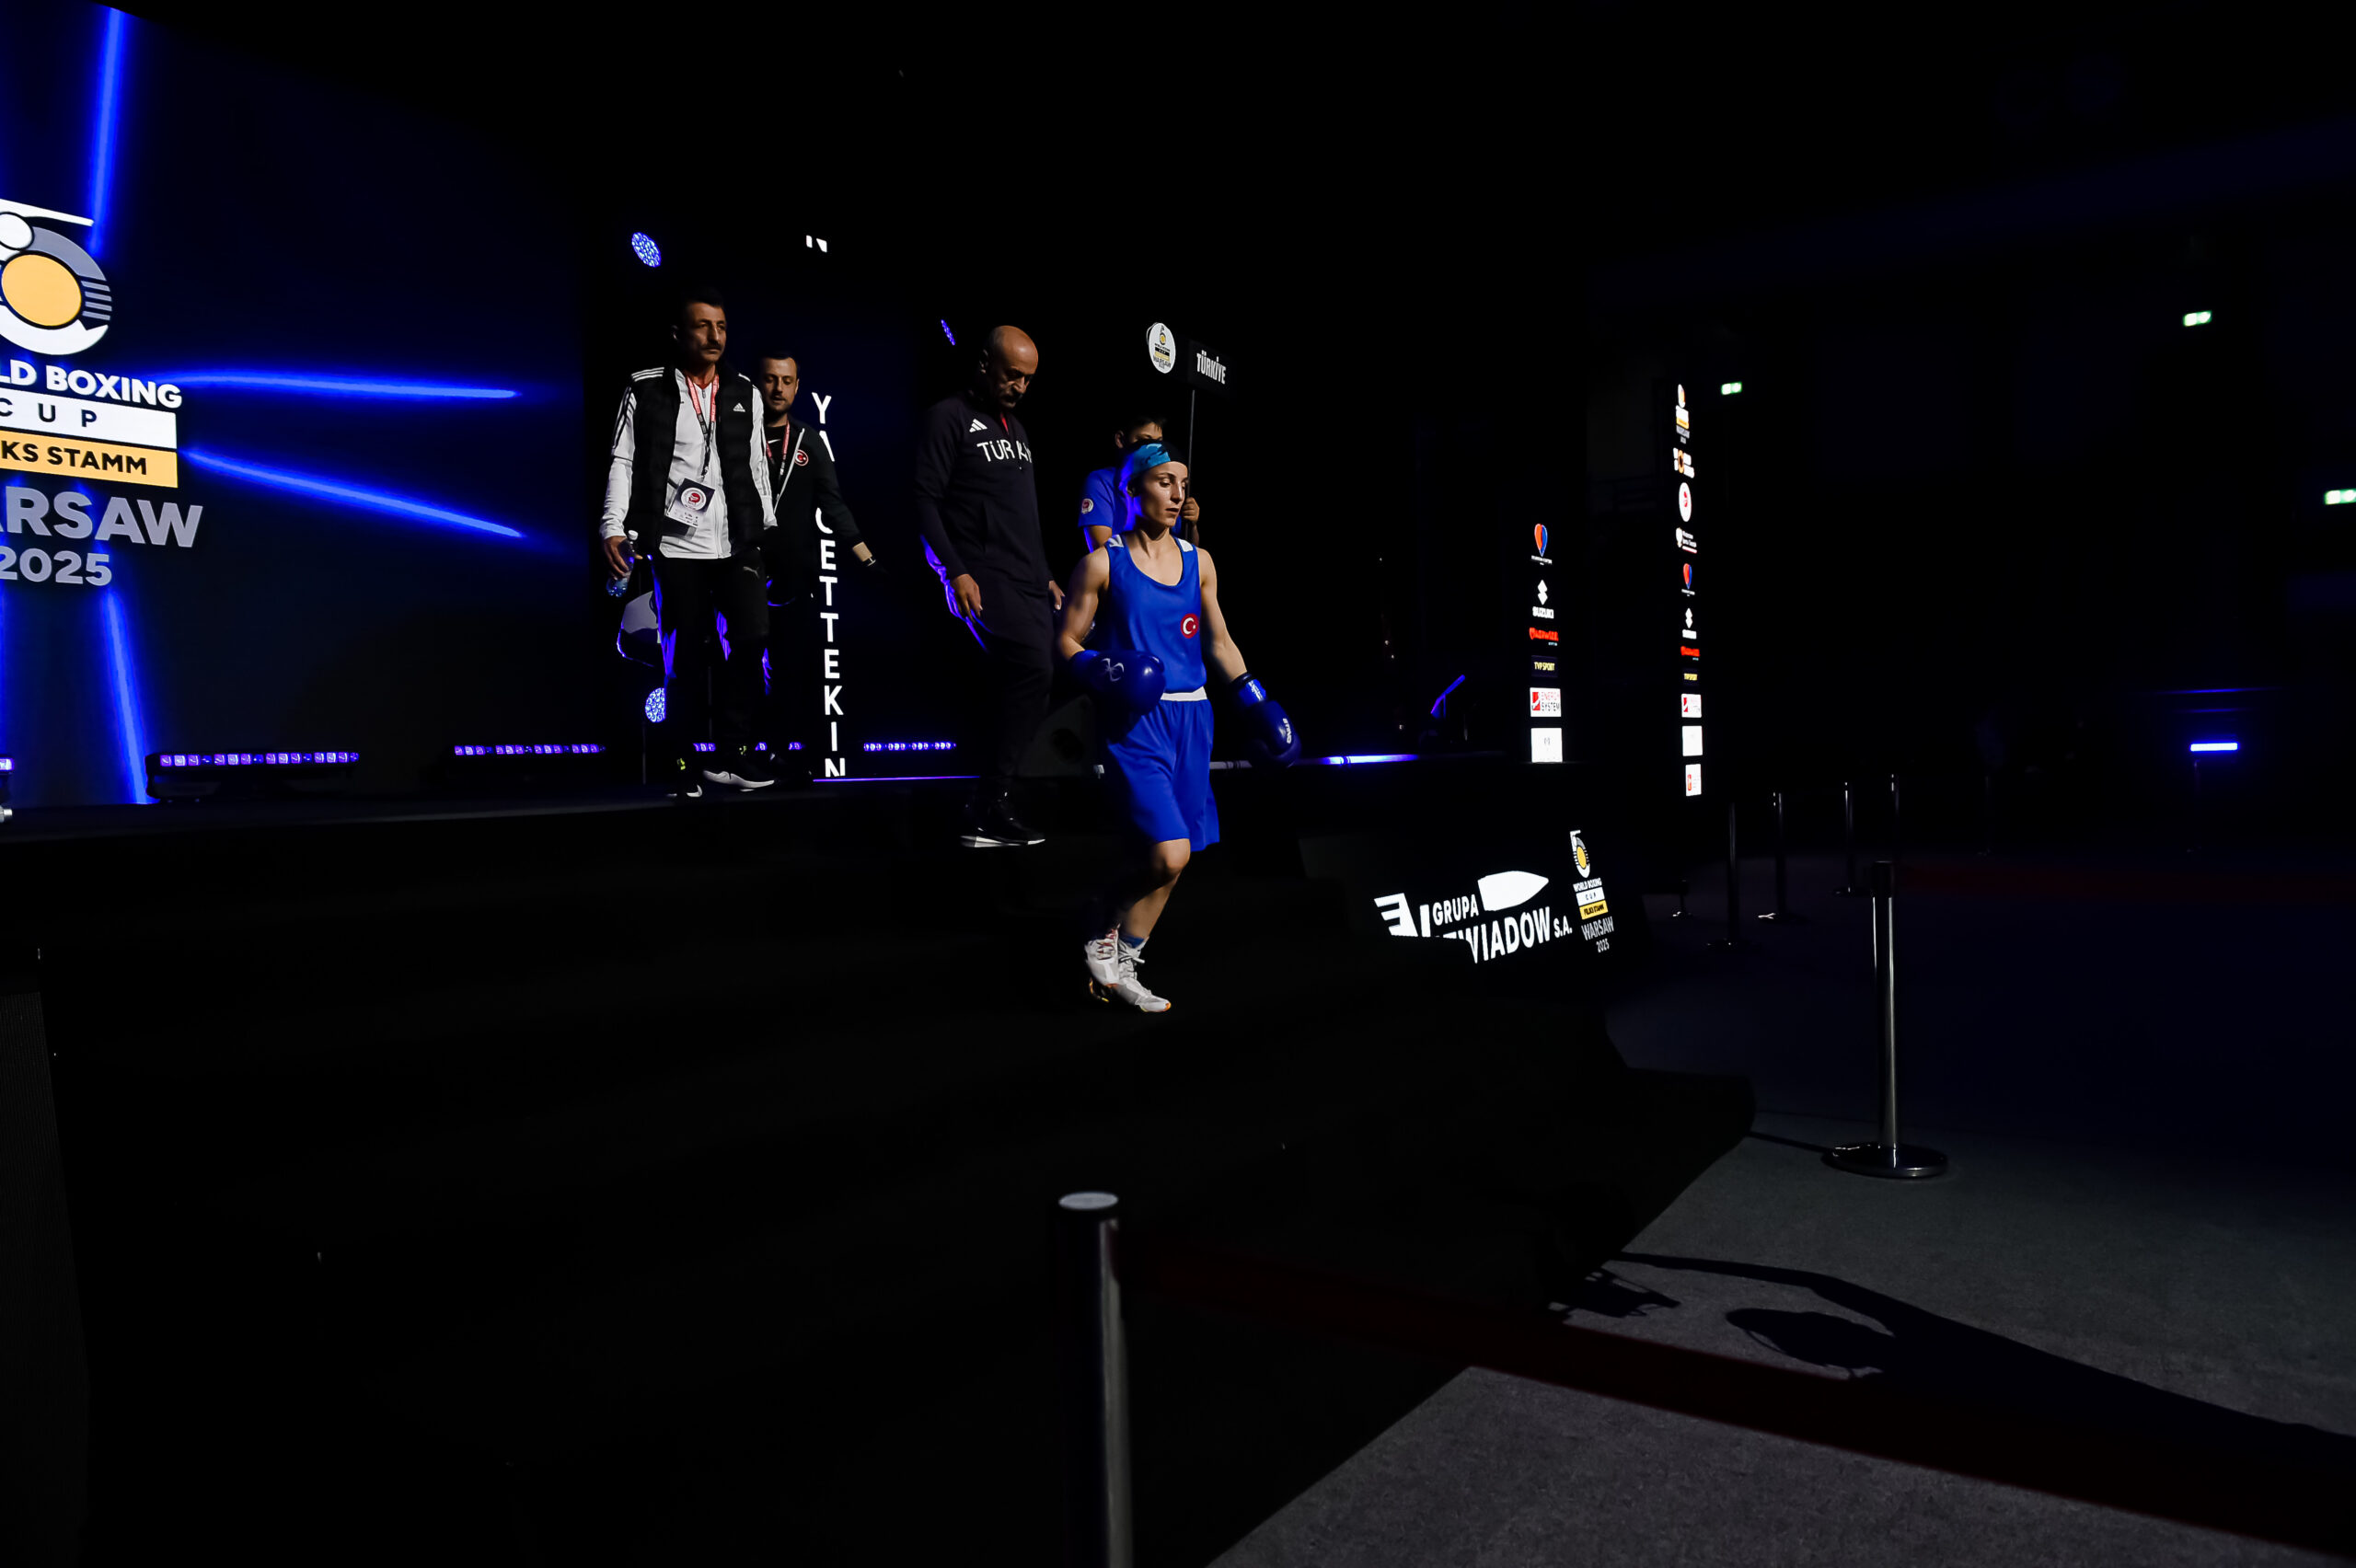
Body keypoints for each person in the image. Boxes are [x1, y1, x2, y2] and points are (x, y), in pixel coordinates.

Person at [1056, 441, 1299, 1011]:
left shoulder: (1200, 561)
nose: (1176, 494)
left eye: (1183, 484)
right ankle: (1099, 918)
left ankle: (1126, 962)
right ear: (1132, 488)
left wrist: (1259, 702)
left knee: (1180, 852)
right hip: (1136, 721)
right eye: (1164, 481)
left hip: (1194, 717)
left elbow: (1220, 641)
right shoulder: (1102, 563)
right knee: (1169, 853)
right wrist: (1101, 668)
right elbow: (1065, 640)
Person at [601, 287, 778, 796]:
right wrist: (612, 526)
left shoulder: (744, 391)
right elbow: (623, 460)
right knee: (685, 655)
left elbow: (757, 466)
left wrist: (765, 527)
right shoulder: (645, 388)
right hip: (676, 543)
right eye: (703, 326)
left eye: (721, 326)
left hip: (737, 540)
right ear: (679, 334)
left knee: (752, 637)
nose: (714, 336)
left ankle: (731, 754)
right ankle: (681, 760)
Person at [914, 325, 1065, 847]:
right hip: (984, 573)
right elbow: (925, 500)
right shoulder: (948, 416)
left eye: (1029, 380)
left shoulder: (1016, 429)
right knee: (1033, 668)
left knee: (1028, 682)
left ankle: (987, 804)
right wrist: (953, 570)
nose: (1020, 386)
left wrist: (1046, 573)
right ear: (984, 364)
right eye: (1012, 375)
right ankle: (988, 803)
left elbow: (1023, 514)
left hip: (1028, 578)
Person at [757, 352, 876, 765]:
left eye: (787, 380)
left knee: (791, 670)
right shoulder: (739, 435)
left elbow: (834, 504)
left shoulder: (808, 440)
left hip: (795, 578)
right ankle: (740, 756)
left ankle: (785, 757)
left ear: (797, 386)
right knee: (741, 665)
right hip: (741, 573)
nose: (778, 388)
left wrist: (867, 559)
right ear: (758, 383)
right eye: (770, 379)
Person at [1076, 412, 1202, 553]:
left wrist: (1191, 525)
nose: (1153, 449)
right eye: (1144, 441)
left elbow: (1190, 553)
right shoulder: (1101, 481)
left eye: (1159, 443)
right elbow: (1101, 550)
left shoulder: (1171, 492)